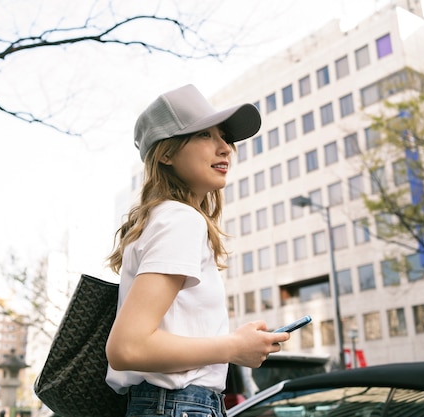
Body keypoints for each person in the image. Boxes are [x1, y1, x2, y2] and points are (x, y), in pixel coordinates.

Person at [105, 84, 289, 417]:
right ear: (166, 153)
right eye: (205, 135)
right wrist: (234, 347)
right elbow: (127, 348)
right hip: (178, 405)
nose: (225, 148)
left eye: (225, 138)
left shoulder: (164, 219)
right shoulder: (180, 219)